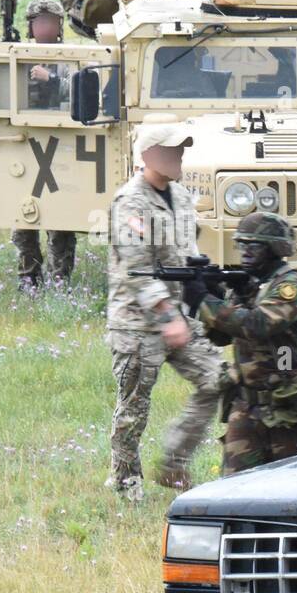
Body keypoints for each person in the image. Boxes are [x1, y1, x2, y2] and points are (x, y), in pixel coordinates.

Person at [105, 122, 223, 500]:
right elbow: (136, 270)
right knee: (133, 408)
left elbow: (188, 253)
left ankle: (174, 462)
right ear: (147, 155)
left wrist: (209, 287)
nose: (179, 157)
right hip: (138, 325)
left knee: (217, 379)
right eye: (171, 151)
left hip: (180, 319)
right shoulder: (131, 203)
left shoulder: (182, 197)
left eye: (181, 150)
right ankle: (124, 485)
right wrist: (167, 316)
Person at [188, 212, 297, 475]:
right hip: (246, 404)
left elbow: (257, 325)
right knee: (232, 487)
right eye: (241, 245)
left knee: (288, 488)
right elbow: (221, 337)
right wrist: (216, 295)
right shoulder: (249, 285)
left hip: (286, 404)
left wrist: (204, 300)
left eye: (254, 245)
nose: (245, 252)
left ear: (275, 248)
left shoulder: (291, 285)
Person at [12, 0, 77, 290]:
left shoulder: (68, 58)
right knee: (22, 213)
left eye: (49, 22)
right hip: (24, 145)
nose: (44, 27)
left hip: (60, 144)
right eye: (38, 22)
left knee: (60, 216)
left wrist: (50, 78)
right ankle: (29, 275)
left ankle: (60, 277)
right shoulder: (18, 56)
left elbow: (80, 92)